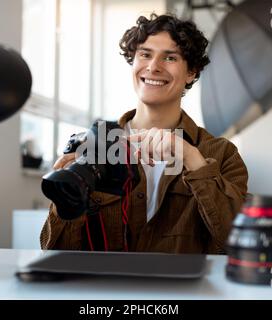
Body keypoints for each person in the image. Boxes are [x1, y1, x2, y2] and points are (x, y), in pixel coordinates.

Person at [40, 13, 248, 254]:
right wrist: (65, 199)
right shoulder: (94, 146)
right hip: (107, 289)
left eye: (170, 57)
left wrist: (193, 160)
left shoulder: (222, 154)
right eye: (145, 54)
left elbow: (239, 243)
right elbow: (56, 251)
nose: (153, 67)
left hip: (184, 292)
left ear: (191, 72)